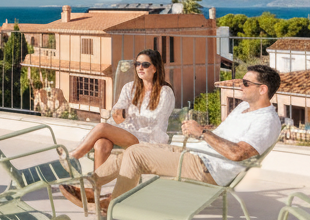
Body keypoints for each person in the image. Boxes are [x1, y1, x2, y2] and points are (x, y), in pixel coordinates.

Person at [90, 64, 283, 209]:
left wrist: (202, 133)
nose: (240, 86)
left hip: (207, 169)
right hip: (196, 155)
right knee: (132, 150)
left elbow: (238, 153)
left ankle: (115, 204)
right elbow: (226, 137)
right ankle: (90, 187)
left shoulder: (266, 121)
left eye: (246, 83)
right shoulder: (243, 108)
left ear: (262, 89)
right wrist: (200, 130)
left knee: (135, 155)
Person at [60, 49, 173, 207]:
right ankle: (95, 190)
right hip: (129, 133)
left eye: (145, 64)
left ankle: (75, 156)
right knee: (101, 144)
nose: (140, 67)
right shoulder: (130, 88)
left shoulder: (165, 92)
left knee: (102, 127)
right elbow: (118, 110)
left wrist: (127, 115)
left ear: (155, 68)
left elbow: (156, 120)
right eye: (137, 64)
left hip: (148, 139)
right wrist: (118, 113)